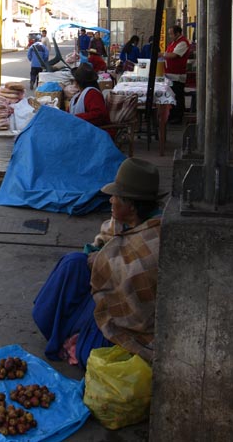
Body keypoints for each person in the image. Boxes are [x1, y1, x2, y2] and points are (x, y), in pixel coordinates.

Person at [32, 157, 165, 367]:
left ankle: (77, 335)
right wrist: (97, 257)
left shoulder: (155, 236)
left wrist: (102, 261)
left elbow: (135, 283)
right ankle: (63, 331)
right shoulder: (120, 222)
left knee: (88, 353)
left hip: (127, 317)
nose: (110, 200)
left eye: (116, 197)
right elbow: (100, 246)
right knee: (73, 262)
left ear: (131, 206)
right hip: (105, 290)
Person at [164, 24, 190, 124]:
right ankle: (171, 115)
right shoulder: (173, 42)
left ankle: (178, 117)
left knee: (177, 96)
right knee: (172, 96)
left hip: (177, 75)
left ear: (178, 33)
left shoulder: (183, 42)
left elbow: (174, 55)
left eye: (171, 34)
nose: (170, 36)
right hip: (170, 74)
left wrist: (162, 54)